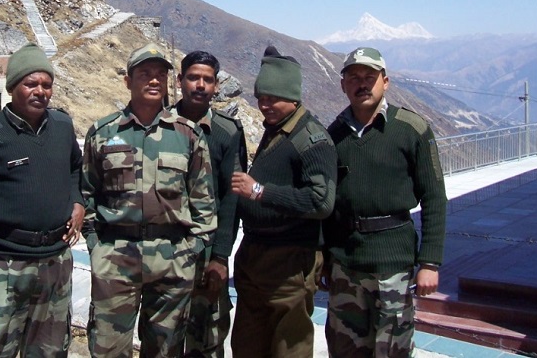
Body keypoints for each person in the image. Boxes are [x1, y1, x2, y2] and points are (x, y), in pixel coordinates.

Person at [81, 42, 217, 357]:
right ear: (128, 81)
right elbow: (87, 194)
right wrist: (96, 247)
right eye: (145, 74)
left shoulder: (188, 135)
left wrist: (189, 252)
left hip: (172, 260)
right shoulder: (102, 133)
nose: (154, 80)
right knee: (108, 349)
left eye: (160, 74)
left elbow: (204, 205)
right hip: (116, 258)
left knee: (166, 351)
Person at [0, 42, 84, 357]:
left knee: (51, 352)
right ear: (12, 87)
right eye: (31, 84)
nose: (40, 91)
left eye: (46, 84)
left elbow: (75, 171)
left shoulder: (63, 127)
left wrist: (78, 203)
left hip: (56, 264)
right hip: (5, 267)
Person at [321, 47, 447, 357]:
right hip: (345, 266)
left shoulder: (411, 129)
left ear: (385, 82)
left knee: (392, 350)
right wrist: (323, 256)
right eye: (354, 78)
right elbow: (325, 202)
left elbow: (434, 197)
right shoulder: (333, 135)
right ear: (343, 85)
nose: (362, 84)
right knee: (344, 348)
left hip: (392, 266)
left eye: (369, 77)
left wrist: (429, 262)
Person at [229, 45, 337, 358]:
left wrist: (260, 192)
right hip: (256, 258)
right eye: (261, 97)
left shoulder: (312, 139)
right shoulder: (277, 129)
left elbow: (321, 201)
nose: (264, 105)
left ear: (293, 97)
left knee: (287, 348)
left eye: (273, 98)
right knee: (249, 345)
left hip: (289, 263)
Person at [173, 51, 247, 358]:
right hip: (168, 253)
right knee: (165, 337)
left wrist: (221, 256)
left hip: (207, 255)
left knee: (208, 340)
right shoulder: (161, 125)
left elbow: (232, 198)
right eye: (193, 77)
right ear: (180, 81)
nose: (200, 85)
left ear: (216, 86)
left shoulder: (228, 132)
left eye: (208, 79)